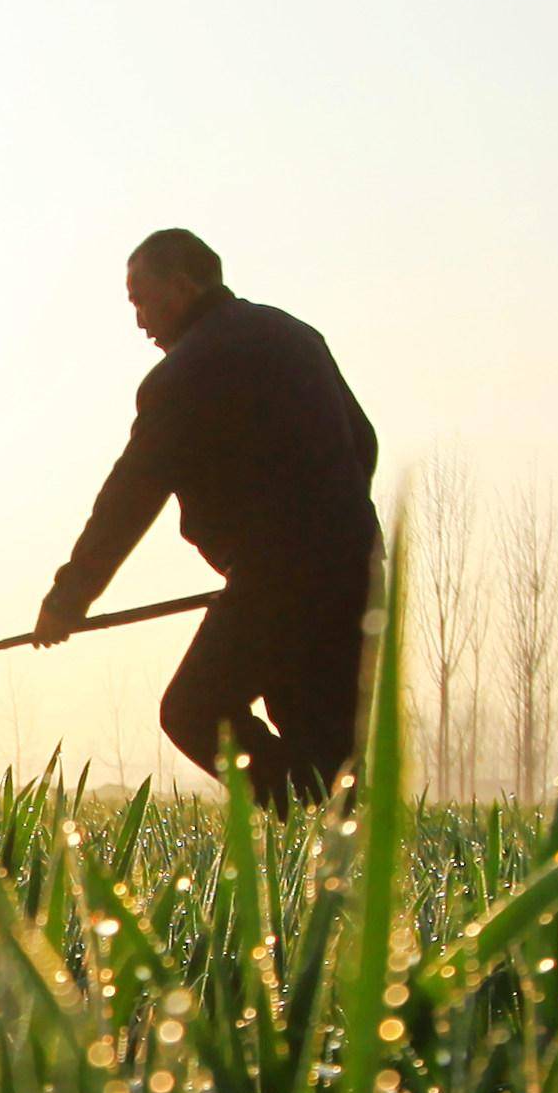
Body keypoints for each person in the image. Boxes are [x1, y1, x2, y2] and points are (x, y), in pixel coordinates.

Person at [33, 228, 379, 803]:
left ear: (183, 283)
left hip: (277, 578)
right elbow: (361, 440)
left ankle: (303, 809)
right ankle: (343, 855)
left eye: (142, 300)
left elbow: (129, 497)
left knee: (196, 709)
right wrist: (331, 527)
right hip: (358, 567)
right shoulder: (297, 336)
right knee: (330, 739)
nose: (140, 321)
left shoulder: (184, 375)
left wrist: (67, 600)